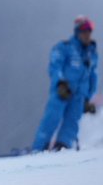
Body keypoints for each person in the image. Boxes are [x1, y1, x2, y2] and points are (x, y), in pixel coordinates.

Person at [31, 17, 98, 152]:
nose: (87, 34)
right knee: (52, 118)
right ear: (77, 32)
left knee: (72, 122)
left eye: (89, 31)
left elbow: (93, 77)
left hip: (79, 95)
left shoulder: (91, 53)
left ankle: (62, 148)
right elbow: (55, 66)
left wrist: (88, 98)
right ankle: (39, 149)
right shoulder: (65, 47)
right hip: (63, 91)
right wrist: (60, 83)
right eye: (84, 30)